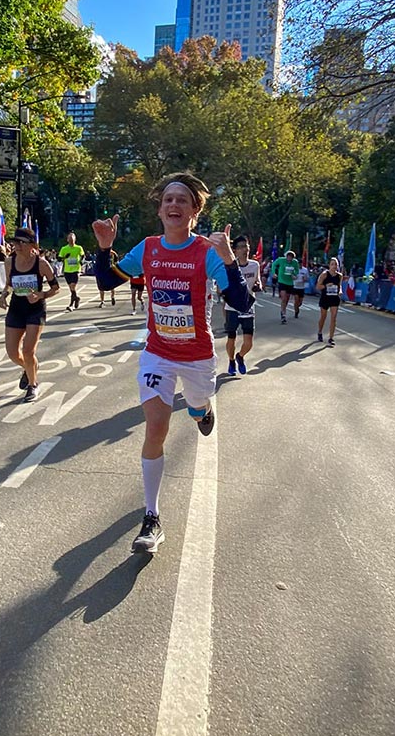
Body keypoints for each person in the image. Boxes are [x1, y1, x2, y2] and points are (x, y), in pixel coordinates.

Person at [91, 173, 250, 555]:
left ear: (195, 211)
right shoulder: (147, 249)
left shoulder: (206, 252)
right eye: (167, 200)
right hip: (158, 354)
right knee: (156, 427)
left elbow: (242, 303)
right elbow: (107, 281)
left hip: (196, 358)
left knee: (196, 408)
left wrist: (228, 259)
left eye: (182, 201)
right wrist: (104, 248)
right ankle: (151, 516)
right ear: (160, 210)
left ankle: (201, 409)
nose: (174, 205)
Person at [0, 226, 61, 402]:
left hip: (35, 310)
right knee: (11, 352)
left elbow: (56, 288)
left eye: (21, 242)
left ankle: (33, 385)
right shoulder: (9, 262)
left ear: (32, 245)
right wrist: (4, 296)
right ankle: (30, 367)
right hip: (17, 308)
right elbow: (9, 283)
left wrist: (41, 295)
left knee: (27, 350)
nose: (16, 245)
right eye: (14, 242)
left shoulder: (41, 264)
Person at [223, 234, 263, 374]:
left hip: (248, 306)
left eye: (245, 246)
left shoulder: (254, 265)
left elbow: (258, 281)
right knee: (231, 338)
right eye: (240, 247)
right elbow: (222, 286)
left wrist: (258, 285)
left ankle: (240, 357)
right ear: (235, 251)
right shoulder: (230, 267)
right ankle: (231, 361)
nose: (244, 249)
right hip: (232, 307)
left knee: (248, 342)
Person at [315, 255, 345, 345]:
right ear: (329, 265)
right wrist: (326, 286)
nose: (334, 266)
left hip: (334, 298)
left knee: (333, 317)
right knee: (323, 317)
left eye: (336, 264)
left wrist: (340, 291)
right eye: (332, 264)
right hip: (325, 298)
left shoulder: (339, 276)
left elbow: (340, 286)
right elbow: (318, 286)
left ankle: (331, 338)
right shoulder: (324, 274)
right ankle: (320, 331)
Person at [58, 231, 85, 310]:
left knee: (73, 286)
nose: (71, 240)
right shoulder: (64, 248)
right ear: (67, 240)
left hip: (76, 269)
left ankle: (71, 304)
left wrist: (81, 261)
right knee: (71, 289)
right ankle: (76, 299)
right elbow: (59, 259)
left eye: (72, 239)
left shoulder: (78, 248)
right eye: (70, 239)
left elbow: (82, 255)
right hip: (67, 270)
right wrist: (64, 257)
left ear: (75, 240)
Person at [272, 250, 300, 322]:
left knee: (287, 299)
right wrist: (274, 273)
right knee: (284, 298)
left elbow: (297, 270)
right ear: (286, 256)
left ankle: (283, 309)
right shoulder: (281, 260)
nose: (289, 258)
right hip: (282, 281)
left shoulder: (295, 262)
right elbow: (274, 264)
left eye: (291, 257)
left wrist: (295, 275)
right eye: (288, 256)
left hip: (290, 283)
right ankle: (283, 314)